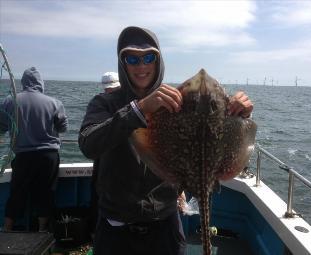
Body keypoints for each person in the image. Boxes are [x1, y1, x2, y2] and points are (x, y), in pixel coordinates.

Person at [78, 26, 253, 255]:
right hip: (116, 231)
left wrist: (240, 116)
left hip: (165, 226)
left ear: (158, 61)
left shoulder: (175, 103)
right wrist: (138, 110)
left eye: (148, 57)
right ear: (123, 63)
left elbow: (211, 136)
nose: (141, 66)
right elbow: (88, 144)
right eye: (132, 58)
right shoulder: (105, 103)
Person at [0, 67, 68, 232]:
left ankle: (7, 229)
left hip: (23, 156)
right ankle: (42, 230)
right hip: (48, 156)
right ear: (40, 83)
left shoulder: (9, 101)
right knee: (45, 193)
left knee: (17, 193)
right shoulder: (54, 103)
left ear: (23, 82)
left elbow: (1, 127)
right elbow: (63, 127)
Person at [90, 71, 120, 234]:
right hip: (104, 156)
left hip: (108, 156)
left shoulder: (100, 103)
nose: (110, 91)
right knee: (99, 190)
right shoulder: (99, 103)